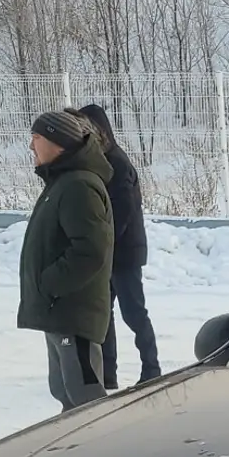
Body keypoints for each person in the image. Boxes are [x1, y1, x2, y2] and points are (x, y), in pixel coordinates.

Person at [17, 109, 115, 411]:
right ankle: (73, 455)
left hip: (73, 314)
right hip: (58, 311)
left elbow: (90, 250)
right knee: (66, 394)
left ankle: (102, 454)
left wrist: (50, 283)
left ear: (57, 142)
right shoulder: (61, 182)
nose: (31, 146)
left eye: (36, 138)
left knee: (86, 399)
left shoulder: (78, 185)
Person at [78, 103, 160, 387]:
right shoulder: (100, 161)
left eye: (86, 130)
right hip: (110, 253)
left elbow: (121, 213)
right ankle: (107, 373)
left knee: (134, 313)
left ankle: (152, 368)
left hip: (124, 254)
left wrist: (101, 242)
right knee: (105, 315)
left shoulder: (117, 163)